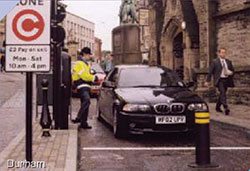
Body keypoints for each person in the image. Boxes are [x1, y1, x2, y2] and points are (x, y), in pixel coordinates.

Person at [71, 47, 98, 129]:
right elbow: (84, 76)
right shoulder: (79, 63)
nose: (90, 56)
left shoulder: (86, 63)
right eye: (89, 55)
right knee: (87, 101)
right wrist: (93, 78)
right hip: (81, 85)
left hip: (86, 85)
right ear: (85, 54)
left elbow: (88, 73)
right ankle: (78, 118)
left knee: (85, 103)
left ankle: (84, 123)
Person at [205, 48, 234, 115]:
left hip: (226, 80)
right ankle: (226, 107)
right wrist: (207, 81)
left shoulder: (228, 62)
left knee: (222, 94)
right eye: (222, 52)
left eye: (224, 53)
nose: (223, 54)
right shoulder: (215, 62)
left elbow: (232, 70)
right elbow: (210, 72)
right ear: (219, 53)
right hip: (219, 80)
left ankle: (217, 107)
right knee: (222, 92)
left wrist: (230, 73)